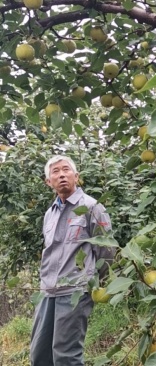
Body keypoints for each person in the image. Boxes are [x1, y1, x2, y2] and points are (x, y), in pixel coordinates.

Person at [30, 155, 115, 366]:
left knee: (66, 356)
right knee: (40, 355)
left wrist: (91, 284)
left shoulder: (92, 207)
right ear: (48, 182)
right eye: (55, 172)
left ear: (76, 176)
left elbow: (107, 252)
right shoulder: (49, 214)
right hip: (47, 292)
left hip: (74, 292)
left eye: (66, 170)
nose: (61, 175)